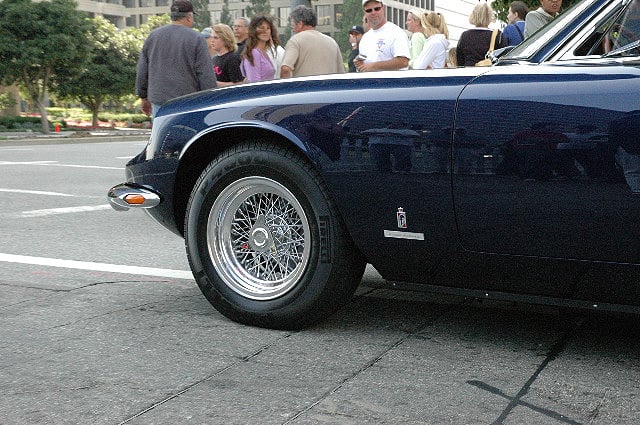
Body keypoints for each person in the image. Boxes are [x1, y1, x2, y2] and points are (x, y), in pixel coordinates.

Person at [136, 0, 217, 118]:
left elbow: (142, 71)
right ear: (189, 17)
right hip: (188, 103)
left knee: (162, 136)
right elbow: (206, 74)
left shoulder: (153, 36)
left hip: (160, 102)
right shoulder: (196, 38)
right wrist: (211, 100)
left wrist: (143, 97)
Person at [281, 6, 345, 78]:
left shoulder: (295, 41)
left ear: (300, 24)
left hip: (305, 88)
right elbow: (341, 73)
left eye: (292, 26)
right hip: (329, 88)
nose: (293, 30)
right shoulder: (332, 42)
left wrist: (285, 87)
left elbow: (285, 69)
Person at [355, 0, 410, 72]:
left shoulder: (396, 32)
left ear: (383, 8)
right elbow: (367, 65)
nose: (373, 12)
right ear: (365, 13)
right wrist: (360, 65)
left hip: (392, 82)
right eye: (369, 10)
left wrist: (373, 66)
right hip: (370, 82)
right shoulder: (365, 38)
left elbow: (403, 61)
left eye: (377, 9)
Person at [456, 2, 507, 67]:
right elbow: (504, 59)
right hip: (489, 73)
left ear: (473, 15)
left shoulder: (464, 36)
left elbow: (460, 61)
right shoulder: (498, 35)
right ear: (489, 16)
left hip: (469, 73)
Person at [240, 15, 278, 82]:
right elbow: (254, 82)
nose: (265, 31)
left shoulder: (265, 52)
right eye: (261, 28)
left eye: (268, 28)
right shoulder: (254, 53)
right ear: (254, 30)